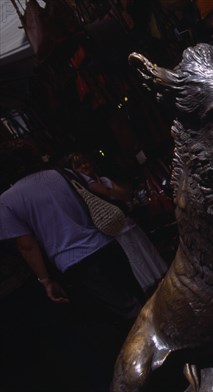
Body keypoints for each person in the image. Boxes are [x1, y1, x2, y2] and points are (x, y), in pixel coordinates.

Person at [0, 148, 145, 390]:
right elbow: (99, 192)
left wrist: (45, 281)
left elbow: (27, 245)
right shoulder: (62, 174)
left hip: (76, 264)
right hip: (107, 247)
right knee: (135, 301)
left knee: (117, 320)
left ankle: (149, 371)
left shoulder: (7, 201)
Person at [68, 153, 168, 293]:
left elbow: (124, 193)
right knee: (133, 256)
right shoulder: (84, 190)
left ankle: (159, 278)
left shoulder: (102, 180)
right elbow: (120, 195)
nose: (84, 166)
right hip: (112, 228)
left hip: (125, 221)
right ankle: (149, 286)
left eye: (85, 162)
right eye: (79, 166)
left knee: (142, 248)